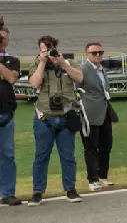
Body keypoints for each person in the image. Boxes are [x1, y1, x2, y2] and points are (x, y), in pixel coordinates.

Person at [27, 36, 84, 205]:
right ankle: (37, 192)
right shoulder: (37, 64)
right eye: (44, 49)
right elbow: (34, 84)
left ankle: (70, 189)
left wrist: (62, 63)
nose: (48, 52)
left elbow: (80, 78)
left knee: (68, 156)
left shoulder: (68, 63)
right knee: (41, 156)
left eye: (50, 49)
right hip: (45, 117)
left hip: (66, 117)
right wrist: (43, 62)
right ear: (40, 50)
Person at [78, 41, 119, 191]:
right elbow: (76, 88)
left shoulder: (102, 69)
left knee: (106, 145)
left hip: (104, 111)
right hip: (89, 114)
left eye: (100, 53)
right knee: (91, 147)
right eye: (94, 53)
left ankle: (103, 176)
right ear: (87, 55)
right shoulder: (83, 69)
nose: (97, 55)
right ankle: (92, 179)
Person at [0, 25, 20, 206]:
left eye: (3, 38)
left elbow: (11, 78)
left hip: (5, 114)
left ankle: (7, 192)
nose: (1, 40)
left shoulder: (13, 60)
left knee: (7, 155)